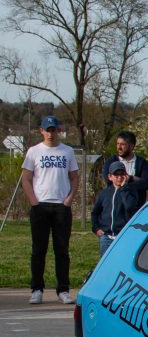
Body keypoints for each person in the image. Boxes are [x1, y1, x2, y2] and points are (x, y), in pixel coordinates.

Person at [20, 115, 79, 305]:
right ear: (41, 131)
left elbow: (75, 177)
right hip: (40, 207)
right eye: (48, 130)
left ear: (58, 130)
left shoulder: (67, 152)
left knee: (62, 250)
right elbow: (26, 178)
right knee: (39, 250)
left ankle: (63, 289)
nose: (51, 133)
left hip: (61, 207)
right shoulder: (34, 151)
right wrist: (34, 202)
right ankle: (37, 289)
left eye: (54, 130)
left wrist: (69, 200)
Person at [91, 164, 141, 257]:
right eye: (116, 175)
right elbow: (95, 212)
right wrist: (96, 228)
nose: (119, 178)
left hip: (123, 236)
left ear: (126, 176)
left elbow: (129, 206)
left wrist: (123, 189)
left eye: (122, 175)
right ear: (110, 177)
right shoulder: (104, 193)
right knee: (106, 264)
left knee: (122, 261)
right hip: (106, 237)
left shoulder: (131, 191)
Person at [101, 130, 148, 202]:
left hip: (137, 206)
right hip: (116, 205)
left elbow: (146, 183)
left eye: (122, 144)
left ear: (131, 146)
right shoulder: (111, 161)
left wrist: (129, 179)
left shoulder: (142, 163)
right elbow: (109, 180)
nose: (119, 147)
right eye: (118, 144)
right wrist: (134, 179)